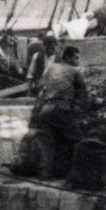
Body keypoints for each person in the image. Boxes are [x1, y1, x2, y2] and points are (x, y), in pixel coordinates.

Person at [29, 45, 86, 179]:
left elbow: (41, 88)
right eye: (76, 58)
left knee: (47, 143)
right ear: (67, 58)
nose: (78, 61)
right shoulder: (75, 71)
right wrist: (77, 111)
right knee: (77, 139)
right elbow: (82, 93)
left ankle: (44, 172)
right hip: (61, 109)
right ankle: (77, 173)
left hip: (45, 110)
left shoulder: (51, 68)